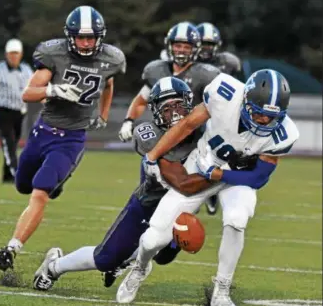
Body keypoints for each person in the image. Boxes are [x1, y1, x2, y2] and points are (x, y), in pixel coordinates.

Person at [116, 69, 299, 306]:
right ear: (245, 100)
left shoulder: (284, 133)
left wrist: (221, 175)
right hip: (201, 164)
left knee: (236, 219)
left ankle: (221, 292)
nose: (263, 121)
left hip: (237, 179)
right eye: (258, 113)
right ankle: (140, 267)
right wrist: (152, 155)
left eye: (269, 117)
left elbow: (258, 178)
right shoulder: (224, 92)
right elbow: (187, 124)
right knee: (153, 238)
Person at [32, 77, 216, 291]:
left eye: (178, 105)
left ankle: (127, 259)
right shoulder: (148, 133)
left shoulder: (204, 131)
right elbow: (180, 181)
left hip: (178, 208)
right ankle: (54, 266)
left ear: (189, 105)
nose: (174, 113)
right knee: (105, 258)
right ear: (156, 112)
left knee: (165, 255)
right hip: (148, 205)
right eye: (166, 108)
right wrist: (220, 177)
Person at [0, 5, 126, 272]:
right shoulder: (54, 53)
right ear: (70, 36)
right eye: (81, 37)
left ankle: (12, 248)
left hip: (71, 139)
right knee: (23, 185)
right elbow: (28, 93)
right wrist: (54, 89)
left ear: (100, 36)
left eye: (92, 37)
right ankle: (55, 183)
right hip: (43, 131)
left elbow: (109, 83)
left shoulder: (112, 59)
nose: (87, 43)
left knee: (40, 191)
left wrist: (102, 114)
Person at [118, 22, 220, 143]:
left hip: (195, 138)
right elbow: (141, 101)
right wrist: (128, 121)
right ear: (170, 46)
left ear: (195, 49)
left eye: (187, 47)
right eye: (178, 45)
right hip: (162, 135)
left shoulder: (206, 74)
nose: (182, 50)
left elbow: (219, 108)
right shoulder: (156, 70)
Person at [195, 22, 242, 215]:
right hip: (197, 111)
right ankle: (194, 190)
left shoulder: (229, 63)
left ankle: (213, 191)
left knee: (221, 152)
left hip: (223, 114)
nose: (205, 48)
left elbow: (242, 88)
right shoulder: (189, 63)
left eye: (209, 44)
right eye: (202, 43)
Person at [0, 39, 33, 183]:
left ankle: (7, 176)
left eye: (16, 53)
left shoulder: (27, 70)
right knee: (8, 143)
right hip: (3, 111)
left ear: (21, 54)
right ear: (6, 54)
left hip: (20, 112)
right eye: (11, 54)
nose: (13, 56)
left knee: (13, 143)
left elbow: (33, 89)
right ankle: (17, 174)